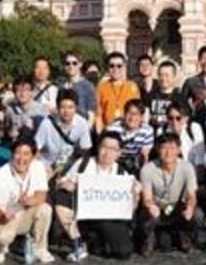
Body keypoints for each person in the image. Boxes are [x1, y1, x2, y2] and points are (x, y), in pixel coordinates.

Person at [53, 130, 140, 262]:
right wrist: (67, 184)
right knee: (61, 196)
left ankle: (93, 244)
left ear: (119, 153)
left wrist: (136, 194)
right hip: (81, 215)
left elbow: (130, 207)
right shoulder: (84, 163)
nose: (107, 152)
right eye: (104, 147)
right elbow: (61, 183)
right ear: (98, 147)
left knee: (124, 251)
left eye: (113, 149)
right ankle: (77, 242)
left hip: (107, 218)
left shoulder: (122, 173)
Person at [0, 138, 54, 264]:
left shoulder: (38, 167)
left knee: (45, 209)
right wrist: (3, 216)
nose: (21, 158)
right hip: (4, 216)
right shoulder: (0, 174)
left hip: (25, 214)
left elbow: (42, 195)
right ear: (12, 154)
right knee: (3, 238)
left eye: (26, 154)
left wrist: (30, 201)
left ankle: (40, 248)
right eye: (17, 153)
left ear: (33, 156)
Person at [138, 133, 199, 255]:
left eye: (172, 148)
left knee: (194, 214)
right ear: (157, 149)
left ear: (179, 150)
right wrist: (150, 205)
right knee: (147, 215)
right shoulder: (147, 169)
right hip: (157, 206)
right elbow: (147, 197)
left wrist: (190, 207)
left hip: (176, 205)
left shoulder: (187, 167)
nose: (168, 152)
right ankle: (149, 238)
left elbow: (191, 195)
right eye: (164, 148)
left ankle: (184, 235)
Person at [35, 89, 93, 177]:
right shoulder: (47, 123)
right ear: (57, 107)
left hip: (68, 164)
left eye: (70, 107)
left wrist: (80, 173)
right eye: (63, 107)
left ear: (76, 108)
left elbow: (86, 149)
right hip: (47, 163)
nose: (66, 111)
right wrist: (44, 167)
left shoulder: (82, 123)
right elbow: (35, 148)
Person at [96, 52, 141, 132]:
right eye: (112, 66)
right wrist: (100, 135)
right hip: (108, 132)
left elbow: (137, 112)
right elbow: (98, 115)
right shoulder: (101, 87)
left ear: (124, 67)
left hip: (128, 131)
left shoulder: (132, 87)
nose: (115, 69)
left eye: (119, 66)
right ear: (107, 67)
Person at [163, 101, 206, 173]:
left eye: (178, 118)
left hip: (193, 169)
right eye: (170, 118)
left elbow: (199, 156)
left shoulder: (194, 128)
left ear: (186, 118)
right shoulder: (163, 131)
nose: (174, 121)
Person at [109, 99, 154, 172]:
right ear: (124, 114)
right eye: (129, 113)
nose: (132, 118)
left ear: (142, 117)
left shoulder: (147, 131)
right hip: (116, 159)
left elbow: (145, 155)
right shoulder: (114, 128)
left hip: (134, 161)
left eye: (136, 114)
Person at [143, 60, 185, 131]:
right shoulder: (150, 96)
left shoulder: (180, 98)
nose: (163, 78)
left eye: (167, 75)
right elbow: (145, 119)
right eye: (160, 75)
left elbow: (183, 121)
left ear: (174, 76)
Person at [61, 51, 98, 127]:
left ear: (80, 64)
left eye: (74, 63)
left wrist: (86, 131)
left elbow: (91, 113)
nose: (71, 66)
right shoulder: (61, 86)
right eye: (68, 63)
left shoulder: (88, 86)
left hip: (81, 128)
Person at [7, 76, 45, 142]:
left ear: (32, 92)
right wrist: (10, 133)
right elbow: (6, 129)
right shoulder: (10, 110)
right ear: (14, 93)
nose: (22, 93)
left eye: (26, 90)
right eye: (18, 90)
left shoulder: (41, 110)